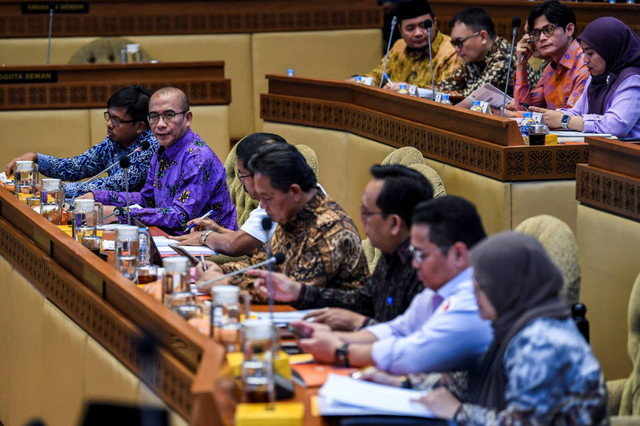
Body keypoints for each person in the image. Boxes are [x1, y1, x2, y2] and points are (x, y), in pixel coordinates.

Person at [284, 196, 492, 375]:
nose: (414, 263)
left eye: (422, 254)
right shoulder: (435, 292)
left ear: (458, 254)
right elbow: (397, 329)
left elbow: (411, 354)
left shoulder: (473, 301)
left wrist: (341, 351)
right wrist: (330, 336)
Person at [418, 232, 608, 424]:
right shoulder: (509, 327)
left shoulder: (542, 342)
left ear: (508, 286)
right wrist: (403, 382)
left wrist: (458, 411)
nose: (473, 290)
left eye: (480, 282)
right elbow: (464, 383)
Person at [250, 164, 434, 331]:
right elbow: (364, 301)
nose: (360, 220)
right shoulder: (393, 254)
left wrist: (359, 324)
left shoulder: (426, 269)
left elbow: (417, 342)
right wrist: (298, 291)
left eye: (367, 213)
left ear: (394, 223)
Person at [196, 143, 369, 302]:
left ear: (294, 191)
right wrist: (221, 271)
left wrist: (226, 284)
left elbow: (293, 292)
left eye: (267, 198)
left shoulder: (332, 228)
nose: (262, 206)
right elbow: (263, 263)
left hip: (332, 329)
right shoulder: (292, 215)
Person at [79, 87, 237, 235]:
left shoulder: (197, 158)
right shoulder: (162, 151)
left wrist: (119, 214)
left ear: (187, 118)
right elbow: (147, 200)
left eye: (169, 115)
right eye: (154, 117)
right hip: (171, 239)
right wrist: (97, 196)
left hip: (211, 246)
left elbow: (181, 217)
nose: (160, 124)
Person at [5, 85, 158, 197]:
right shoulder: (114, 142)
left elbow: (112, 186)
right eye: (109, 116)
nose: (109, 124)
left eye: (116, 120)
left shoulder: (149, 147)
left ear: (139, 126)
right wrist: (36, 158)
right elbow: (76, 167)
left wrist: (55, 188)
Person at [170, 132, 286, 256]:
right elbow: (254, 246)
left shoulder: (277, 201)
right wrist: (218, 230)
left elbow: (235, 245)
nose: (241, 183)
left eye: (243, 175)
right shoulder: (274, 194)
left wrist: (204, 237)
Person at [530, 17, 640, 139]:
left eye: (590, 53)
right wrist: (551, 116)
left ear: (610, 50)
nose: (585, 59)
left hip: (627, 154)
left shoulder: (633, 79)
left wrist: (564, 120)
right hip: (600, 149)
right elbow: (577, 112)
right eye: (584, 52)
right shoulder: (597, 76)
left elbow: (615, 126)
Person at [358, 0, 462, 91]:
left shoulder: (451, 50)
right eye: (410, 28)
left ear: (434, 23)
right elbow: (379, 75)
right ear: (400, 30)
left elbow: (446, 91)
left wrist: (411, 89)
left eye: (423, 26)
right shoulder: (399, 45)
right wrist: (358, 80)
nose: (418, 33)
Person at [512, 0, 588, 112]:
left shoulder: (585, 65)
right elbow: (525, 109)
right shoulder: (550, 69)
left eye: (548, 30)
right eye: (536, 33)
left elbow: (569, 119)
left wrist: (513, 116)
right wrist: (521, 66)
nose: (542, 38)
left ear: (569, 29)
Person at [438, 7, 522, 97]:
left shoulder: (504, 58)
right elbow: (445, 86)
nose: (456, 49)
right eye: (454, 43)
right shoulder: (474, 56)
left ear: (483, 37)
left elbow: (473, 97)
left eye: (459, 42)